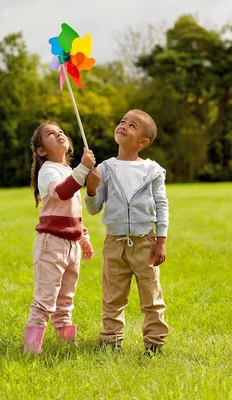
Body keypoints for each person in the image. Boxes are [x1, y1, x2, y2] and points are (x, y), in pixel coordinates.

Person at [85, 109, 169, 356]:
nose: (123, 126)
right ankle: (111, 342)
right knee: (112, 297)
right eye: (122, 121)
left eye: (132, 125)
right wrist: (90, 189)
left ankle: (154, 344)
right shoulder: (105, 168)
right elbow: (93, 209)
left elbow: (162, 205)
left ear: (143, 142)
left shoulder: (152, 170)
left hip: (146, 243)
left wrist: (161, 240)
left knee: (152, 298)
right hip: (115, 244)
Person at [24, 121, 95, 354]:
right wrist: (83, 169)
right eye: (51, 134)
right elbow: (63, 193)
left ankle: (67, 346)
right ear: (42, 151)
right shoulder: (49, 171)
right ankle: (32, 350)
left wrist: (83, 237)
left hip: (71, 245)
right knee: (45, 301)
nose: (59, 134)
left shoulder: (67, 171)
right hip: (51, 243)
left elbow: (75, 212)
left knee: (65, 301)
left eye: (61, 132)